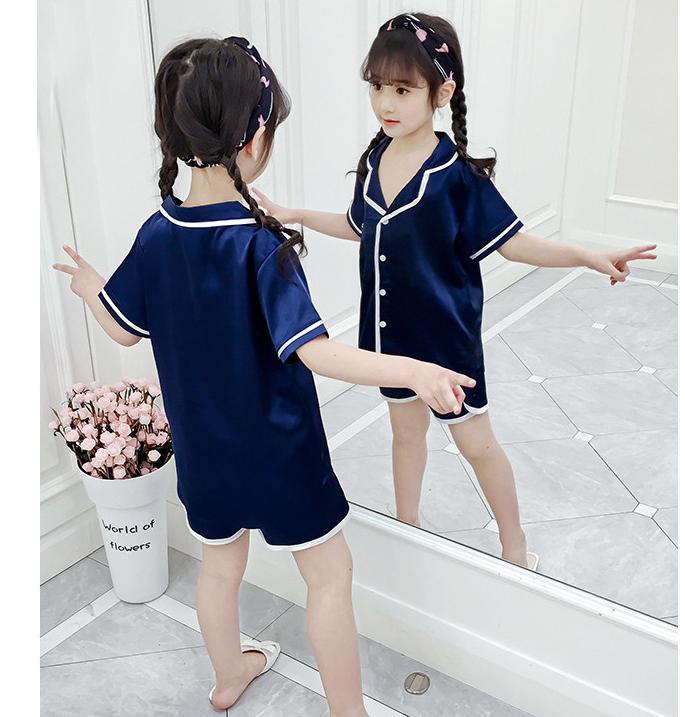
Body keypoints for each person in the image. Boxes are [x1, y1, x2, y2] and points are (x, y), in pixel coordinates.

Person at [52, 36, 474, 715]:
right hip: (282, 456)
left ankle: (228, 677)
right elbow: (316, 353)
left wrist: (90, 286)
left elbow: (125, 329)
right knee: (329, 576)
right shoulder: (257, 245)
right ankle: (348, 711)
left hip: (205, 454)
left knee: (220, 566)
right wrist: (413, 368)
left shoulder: (158, 233)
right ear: (252, 140)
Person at [253, 13, 657, 571]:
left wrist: (585, 255)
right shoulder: (375, 159)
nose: (385, 102)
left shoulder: (459, 177)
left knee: (476, 445)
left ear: (442, 92)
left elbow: (515, 244)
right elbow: (359, 226)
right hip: (388, 343)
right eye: (377, 86)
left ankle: (514, 544)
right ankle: (409, 525)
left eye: (402, 90)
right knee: (405, 435)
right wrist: (295, 213)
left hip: (446, 342)